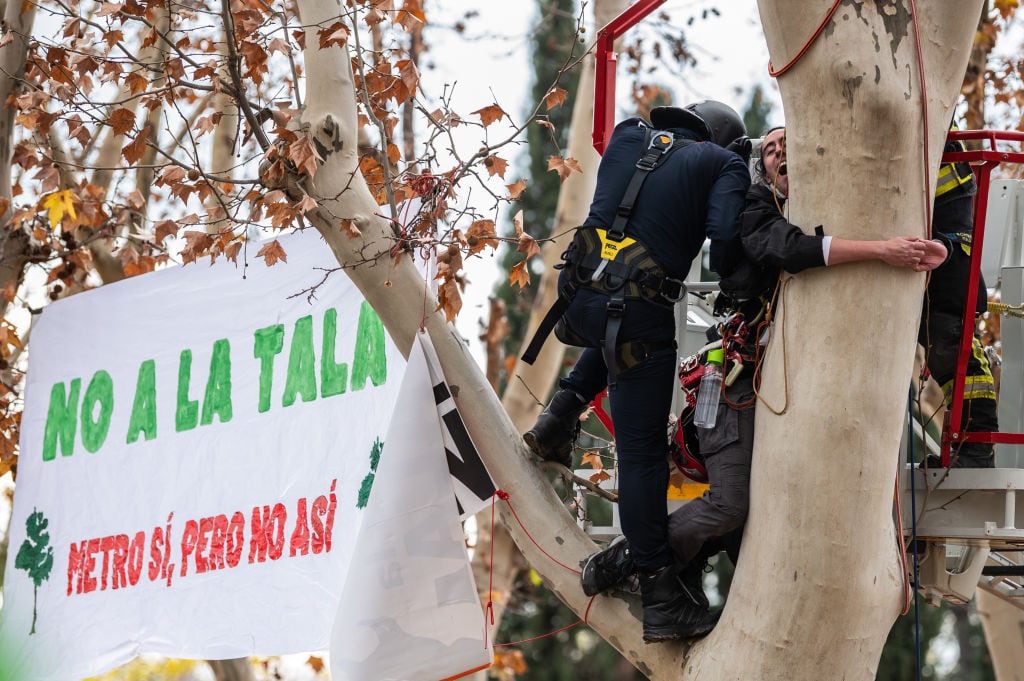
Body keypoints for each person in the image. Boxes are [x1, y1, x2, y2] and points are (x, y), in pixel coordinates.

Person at [574, 125, 948, 631]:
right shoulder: (752, 207)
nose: (778, 153)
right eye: (770, 149)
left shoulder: (831, 209)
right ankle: (637, 561)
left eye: (789, 144)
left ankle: (660, 563)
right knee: (730, 505)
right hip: (735, 383)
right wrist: (883, 250)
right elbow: (788, 248)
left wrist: (940, 244)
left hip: (790, 389)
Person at [522, 100, 750, 642]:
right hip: (639, 322)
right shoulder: (721, 163)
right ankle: (661, 595)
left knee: (616, 326)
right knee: (642, 454)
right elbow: (724, 246)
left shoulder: (627, 136)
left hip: (581, 301)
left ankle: (557, 418)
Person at [920, 129, 999, 468]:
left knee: (959, 350)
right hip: (933, 260)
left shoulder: (940, 141)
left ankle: (977, 448)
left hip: (949, 260)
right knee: (941, 351)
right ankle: (969, 446)